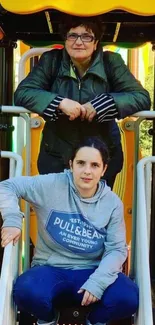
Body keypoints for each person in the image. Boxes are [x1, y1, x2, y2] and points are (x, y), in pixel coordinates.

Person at [0, 137, 138, 325]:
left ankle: (94, 320)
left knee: (128, 297)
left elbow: (116, 249)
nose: (87, 171)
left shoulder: (112, 203)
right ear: (71, 164)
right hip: (51, 267)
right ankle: (49, 319)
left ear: (104, 169)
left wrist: (98, 282)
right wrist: (13, 219)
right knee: (27, 292)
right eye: (81, 163)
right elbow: (7, 186)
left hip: (93, 269)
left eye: (95, 165)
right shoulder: (51, 185)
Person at [14, 16, 151, 189]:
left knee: (94, 211)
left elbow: (141, 98)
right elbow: (23, 93)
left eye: (86, 36)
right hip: (57, 154)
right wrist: (59, 102)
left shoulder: (111, 62)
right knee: (59, 210)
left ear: (96, 43)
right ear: (65, 40)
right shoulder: (51, 61)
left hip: (100, 156)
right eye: (73, 35)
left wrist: (101, 105)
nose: (79, 42)